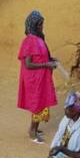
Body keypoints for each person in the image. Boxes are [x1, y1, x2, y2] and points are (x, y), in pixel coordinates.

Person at [17, 10, 58, 144]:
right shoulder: (30, 41)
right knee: (38, 104)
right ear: (34, 25)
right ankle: (33, 133)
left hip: (41, 78)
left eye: (42, 24)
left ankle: (32, 128)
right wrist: (47, 64)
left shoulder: (39, 39)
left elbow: (40, 56)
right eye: (40, 24)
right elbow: (28, 64)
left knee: (40, 102)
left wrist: (50, 59)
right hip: (34, 79)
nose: (42, 27)